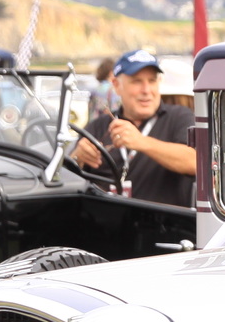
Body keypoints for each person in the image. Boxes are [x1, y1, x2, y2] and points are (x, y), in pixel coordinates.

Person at [71, 48, 197, 207]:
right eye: (137, 81)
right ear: (116, 85)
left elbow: (196, 163)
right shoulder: (98, 126)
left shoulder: (179, 117)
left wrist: (142, 142)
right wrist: (78, 157)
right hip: (103, 225)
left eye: (152, 81)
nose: (146, 90)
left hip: (163, 226)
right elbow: (65, 176)